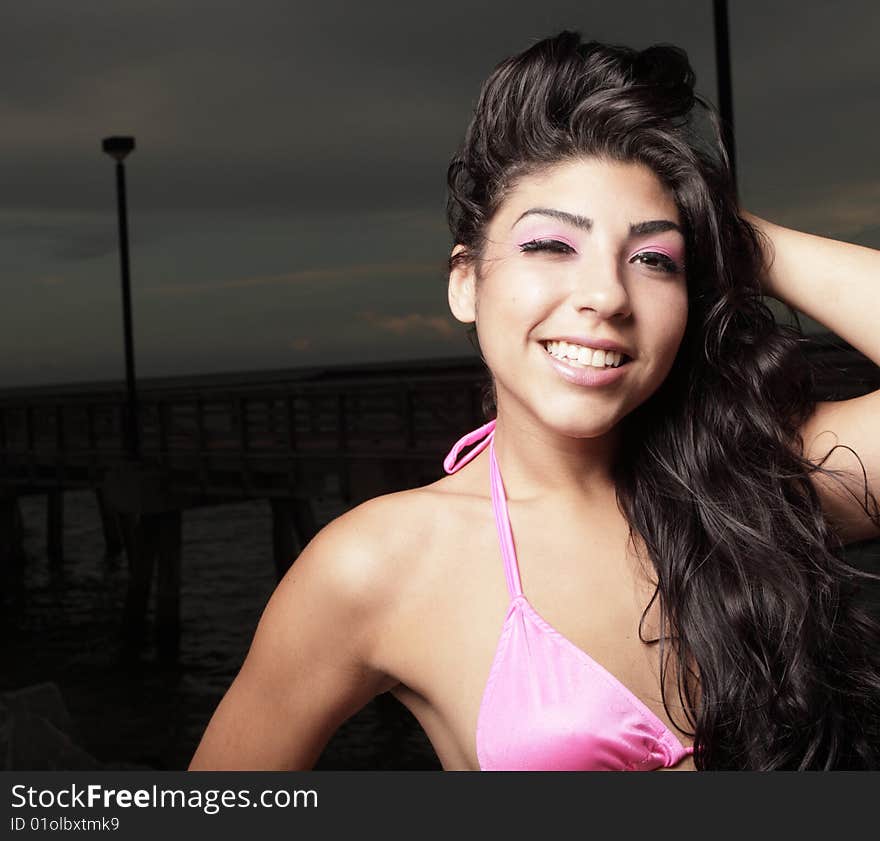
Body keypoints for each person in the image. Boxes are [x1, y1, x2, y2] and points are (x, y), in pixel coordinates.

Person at [188, 30, 880, 771]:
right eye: (550, 246)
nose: (607, 295)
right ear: (466, 282)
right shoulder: (381, 564)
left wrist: (735, 236)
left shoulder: (753, 492)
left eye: (653, 258)